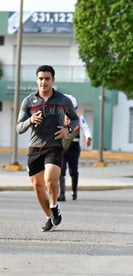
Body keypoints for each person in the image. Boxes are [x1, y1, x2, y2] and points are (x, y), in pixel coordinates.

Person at [16, 65, 79, 232]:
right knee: (37, 186)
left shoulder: (62, 100)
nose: (44, 82)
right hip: (34, 148)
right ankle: (49, 216)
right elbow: (19, 127)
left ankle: (54, 205)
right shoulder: (28, 101)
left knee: (50, 180)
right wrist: (30, 120)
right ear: (37, 80)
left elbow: (75, 120)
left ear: (53, 80)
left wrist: (68, 130)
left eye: (47, 78)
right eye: (41, 78)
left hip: (54, 147)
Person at [58, 94, 92, 201]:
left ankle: (74, 192)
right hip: (62, 147)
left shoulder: (78, 117)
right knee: (61, 170)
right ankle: (62, 194)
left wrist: (88, 138)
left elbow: (86, 128)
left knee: (73, 170)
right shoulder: (60, 117)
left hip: (74, 148)